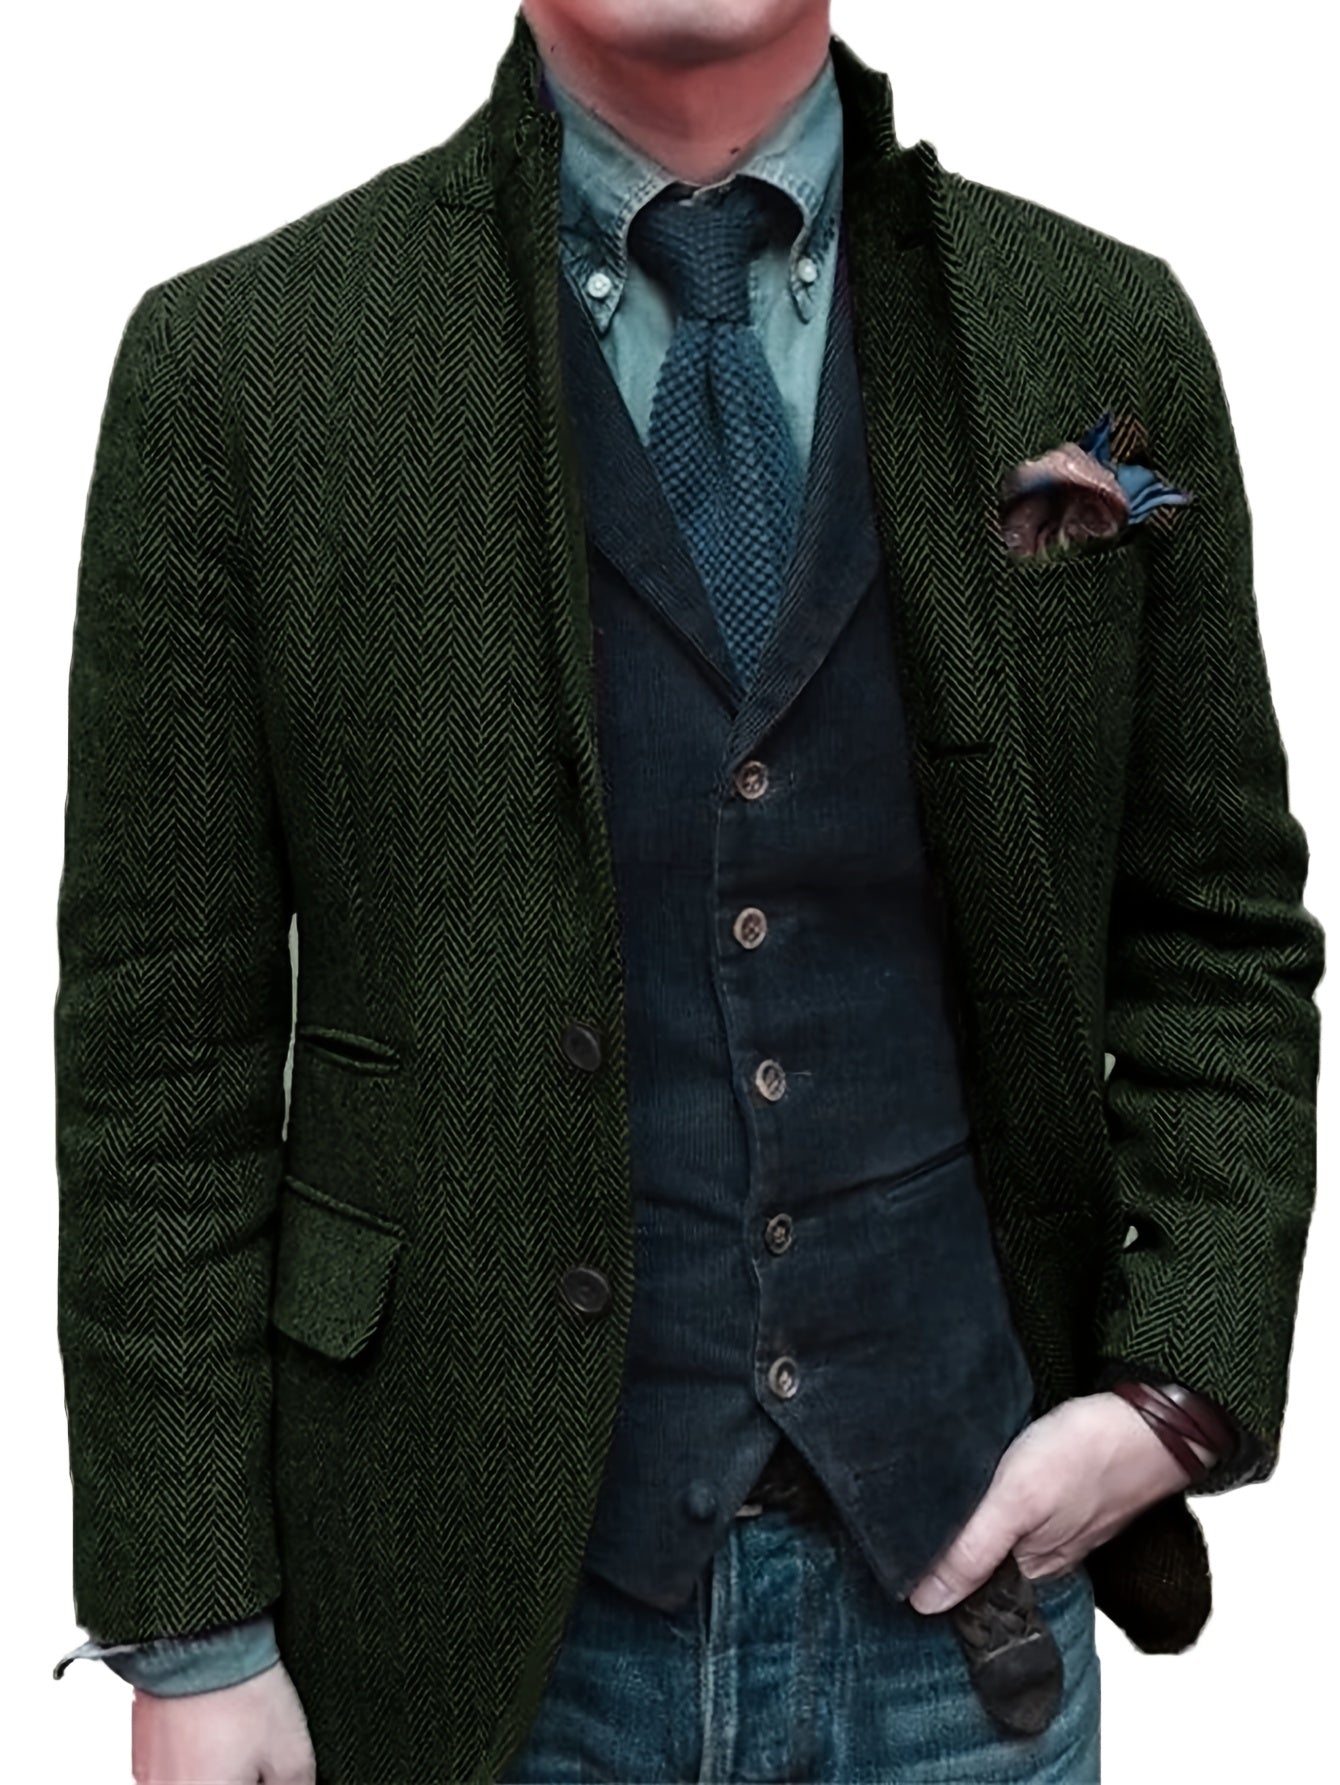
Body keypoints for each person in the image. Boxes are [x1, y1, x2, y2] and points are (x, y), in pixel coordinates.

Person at [52, 1, 1324, 1780]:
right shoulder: (244, 369)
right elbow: (157, 1055)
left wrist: (1173, 1388)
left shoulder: (1096, 335)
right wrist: (193, 1627)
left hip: (963, 1621)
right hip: (459, 1630)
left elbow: (1218, 933)